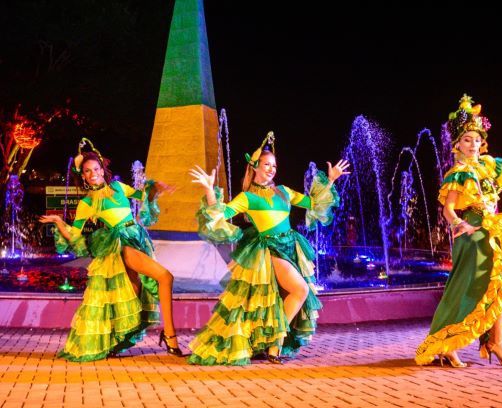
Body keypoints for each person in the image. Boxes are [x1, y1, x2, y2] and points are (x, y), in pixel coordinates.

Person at [415, 95, 502, 367]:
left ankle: (497, 342)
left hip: (494, 234)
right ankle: (447, 344)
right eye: (467, 139)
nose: (473, 144)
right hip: (472, 237)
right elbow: (448, 210)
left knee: (500, 289)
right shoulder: (457, 173)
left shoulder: (488, 167)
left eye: (477, 140)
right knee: (466, 290)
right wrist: (460, 224)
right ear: (457, 143)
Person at [187, 132, 350, 365]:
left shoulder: (284, 191)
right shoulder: (247, 198)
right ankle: (276, 343)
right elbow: (219, 216)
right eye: (266, 164)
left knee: (282, 297)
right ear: (254, 167)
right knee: (300, 290)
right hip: (268, 250)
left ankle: (272, 345)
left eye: (274, 165)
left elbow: (313, 204)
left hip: (291, 247)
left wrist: (331, 179)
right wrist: (209, 191)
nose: (271, 169)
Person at [39, 138, 183, 361]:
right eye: (87, 171)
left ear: (102, 169)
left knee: (133, 295)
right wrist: (59, 222)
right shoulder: (87, 202)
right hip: (119, 245)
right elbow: (75, 235)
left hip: (137, 238)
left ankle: (114, 342)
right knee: (165, 277)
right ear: (83, 176)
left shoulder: (118, 187)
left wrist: (154, 189)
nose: (93, 173)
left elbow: (143, 196)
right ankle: (170, 336)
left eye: (96, 168)